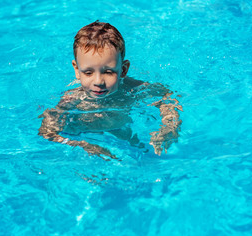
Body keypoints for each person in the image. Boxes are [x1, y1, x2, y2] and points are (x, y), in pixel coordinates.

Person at [38, 21, 182, 159]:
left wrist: (169, 125)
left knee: (146, 156)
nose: (98, 82)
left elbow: (166, 95)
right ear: (77, 70)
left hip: (120, 129)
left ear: (123, 70)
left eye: (108, 72)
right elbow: (46, 131)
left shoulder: (133, 88)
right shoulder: (73, 98)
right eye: (88, 73)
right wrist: (82, 145)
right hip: (83, 132)